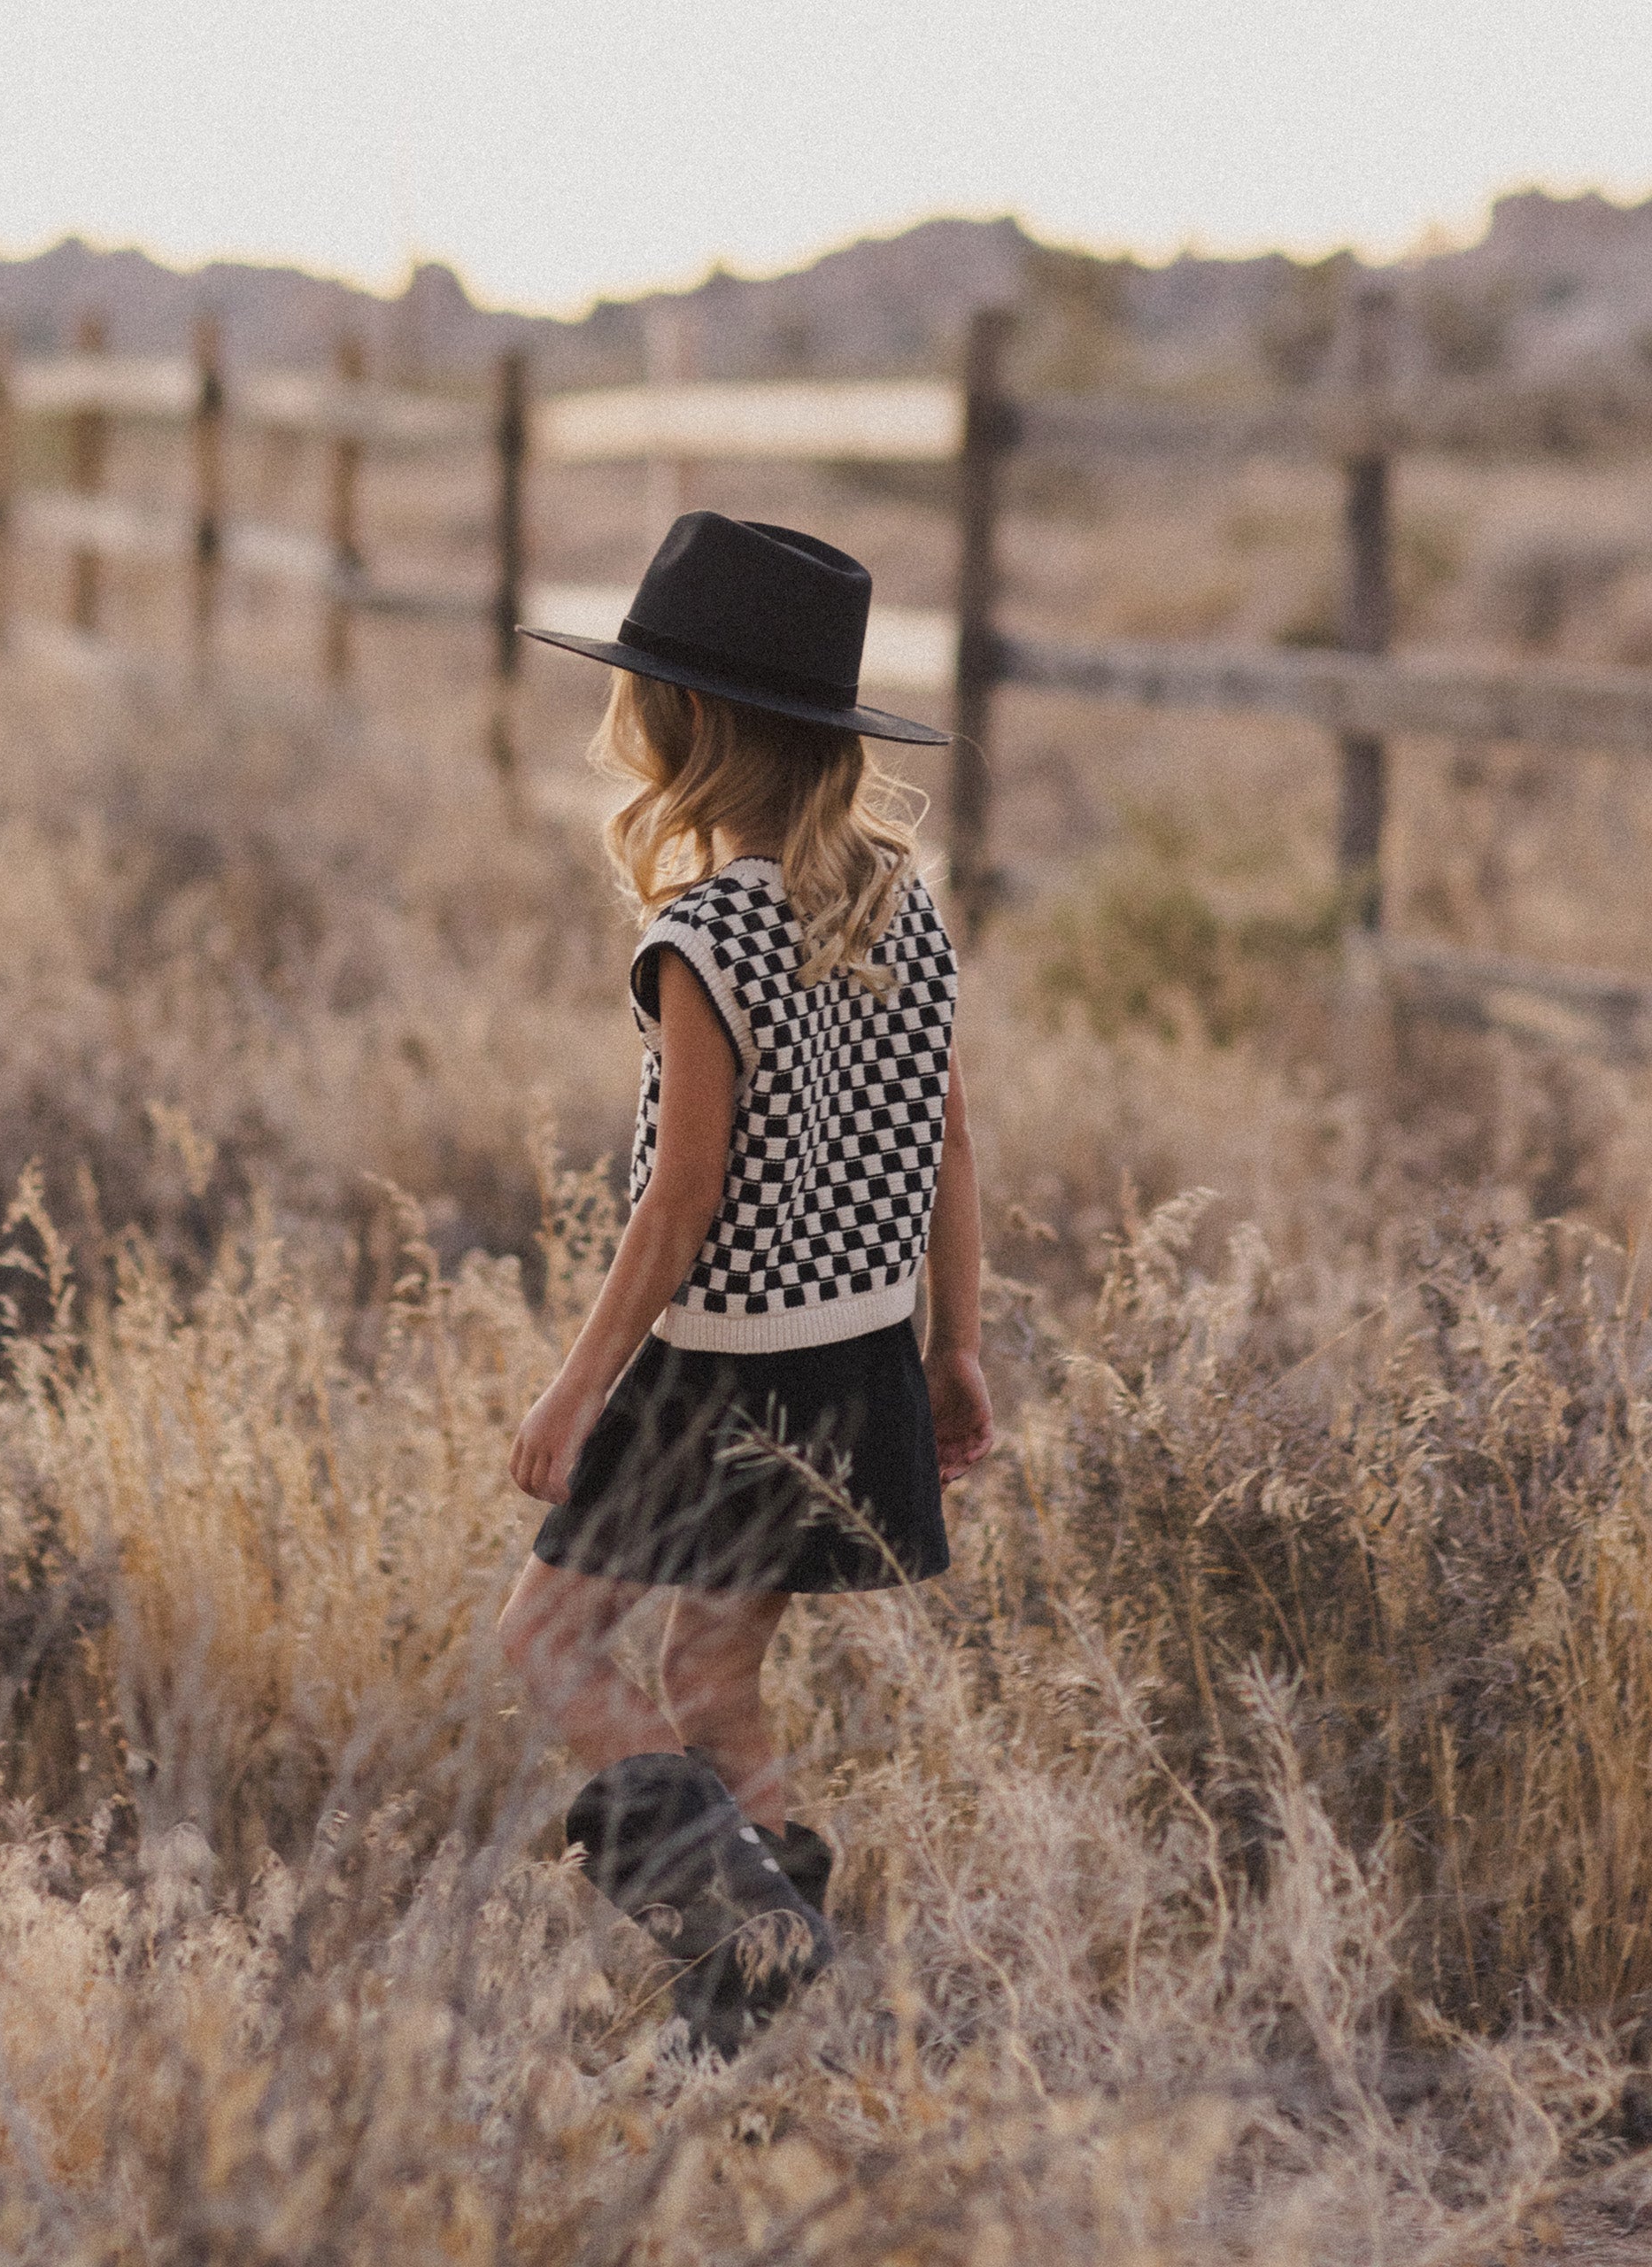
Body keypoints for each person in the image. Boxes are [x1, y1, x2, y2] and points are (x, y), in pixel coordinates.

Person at [498, 512, 994, 2052]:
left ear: (684, 723)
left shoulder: (703, 932)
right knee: (712, 1675)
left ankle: (747, 1939)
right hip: (854, 1360)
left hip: (722, 1370)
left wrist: (578, 1387)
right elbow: (949, 1146)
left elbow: (681, 1201)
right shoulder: (895, 901)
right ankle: (777, 1995)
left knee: (547, 1644)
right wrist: (954, 1347)